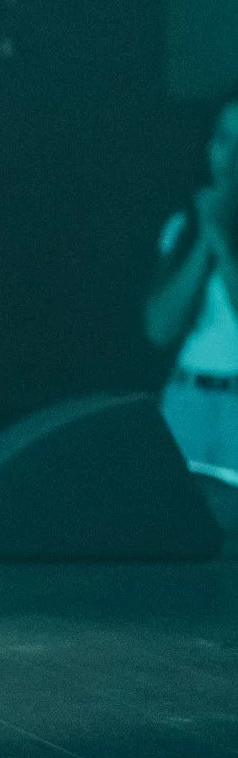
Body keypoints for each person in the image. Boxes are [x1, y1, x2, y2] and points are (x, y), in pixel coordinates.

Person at [146, 99, 238, 477]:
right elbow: (159, 328)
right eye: (223, 139)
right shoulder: (181, 229)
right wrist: (203, 239)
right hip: (186, 399)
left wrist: (219, 237)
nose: (231, 157)